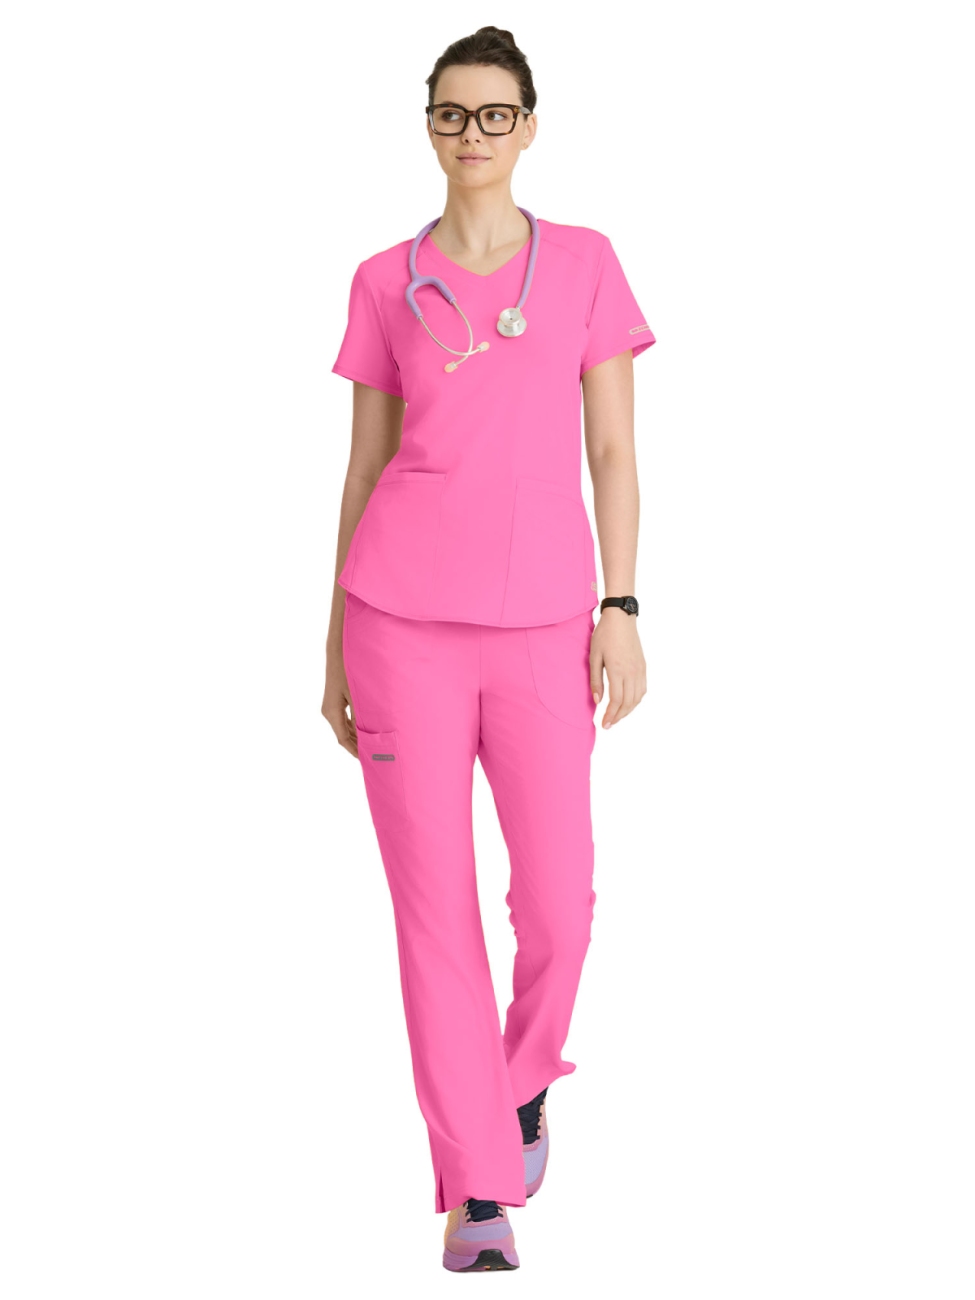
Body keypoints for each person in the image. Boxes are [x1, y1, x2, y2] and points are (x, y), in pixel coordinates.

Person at [321, 26, 655, 1273]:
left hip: (543, 624)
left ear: (529, 126)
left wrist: (622, 606)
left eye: (495, 113)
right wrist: (332, 647)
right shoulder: (382, 280)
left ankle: (518, 1081)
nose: (474, 134)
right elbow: (364, 464)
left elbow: (613, 450)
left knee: (558, 901)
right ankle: (476, 1189)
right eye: (452, 114)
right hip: (397, 624)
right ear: (429, 126)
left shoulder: (584, 265)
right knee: (435, 915)